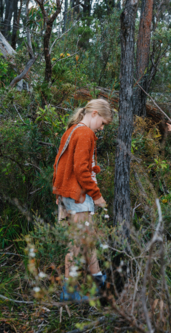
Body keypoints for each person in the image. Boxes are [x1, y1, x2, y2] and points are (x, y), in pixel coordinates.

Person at [52, 99, 112, 301]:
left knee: (87, 238)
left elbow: (59, 162)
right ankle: (69, 291)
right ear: (94, 113)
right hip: (79, 196)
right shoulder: (85, 133)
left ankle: (98, 279)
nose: (102, 128)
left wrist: (58, 190)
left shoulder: (72, 130)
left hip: (69, 194)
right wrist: (97, 196)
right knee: (77, 243)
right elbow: (80, 170)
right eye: (102, 123)